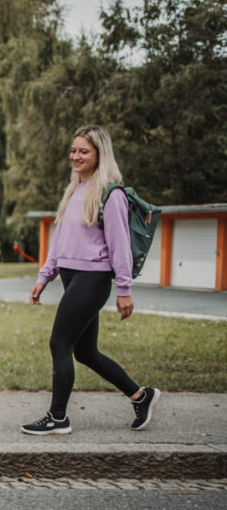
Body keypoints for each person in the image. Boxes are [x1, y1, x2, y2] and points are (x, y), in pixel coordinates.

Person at [23, 125, 160, 436]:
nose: (76, 156)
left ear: (99, 154)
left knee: (59, 342)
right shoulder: (73, 191)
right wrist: (45, 276)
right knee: (85, 353)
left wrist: (124, 289)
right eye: (73, 150)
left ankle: (58, 417)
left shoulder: (111, 195)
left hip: (93, 278)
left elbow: (120, 246)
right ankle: (141, 396)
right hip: (72, 278)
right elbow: (60, 240)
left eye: (83, 151)